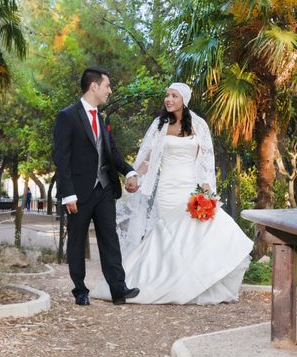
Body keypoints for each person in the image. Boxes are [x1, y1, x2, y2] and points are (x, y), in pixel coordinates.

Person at [92, 82, 252, 304]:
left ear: (183, 100)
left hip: (190, 188)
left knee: (200, 233)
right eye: (167, 95)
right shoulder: (159, 126)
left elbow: (206, 163)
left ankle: (193, 284)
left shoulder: (199, 126)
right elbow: (148, 159)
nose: (168, 99)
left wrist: (207, 193)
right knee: (171, 237)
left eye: (174, 96)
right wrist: (134, 175)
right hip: (167, 189)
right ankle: (166, 282)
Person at [53, 67, 141, 306]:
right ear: (94, 86)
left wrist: (129, 171)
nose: (109, 91)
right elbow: (62, 157)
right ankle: (80, 290)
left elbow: (111, 152)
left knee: (110, 239)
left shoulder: (100, 119)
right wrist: (67, 193)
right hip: (78, 192)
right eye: (107, 86)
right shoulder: (67, 116)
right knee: (77, 240)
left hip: (104, 189)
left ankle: (118, 289)